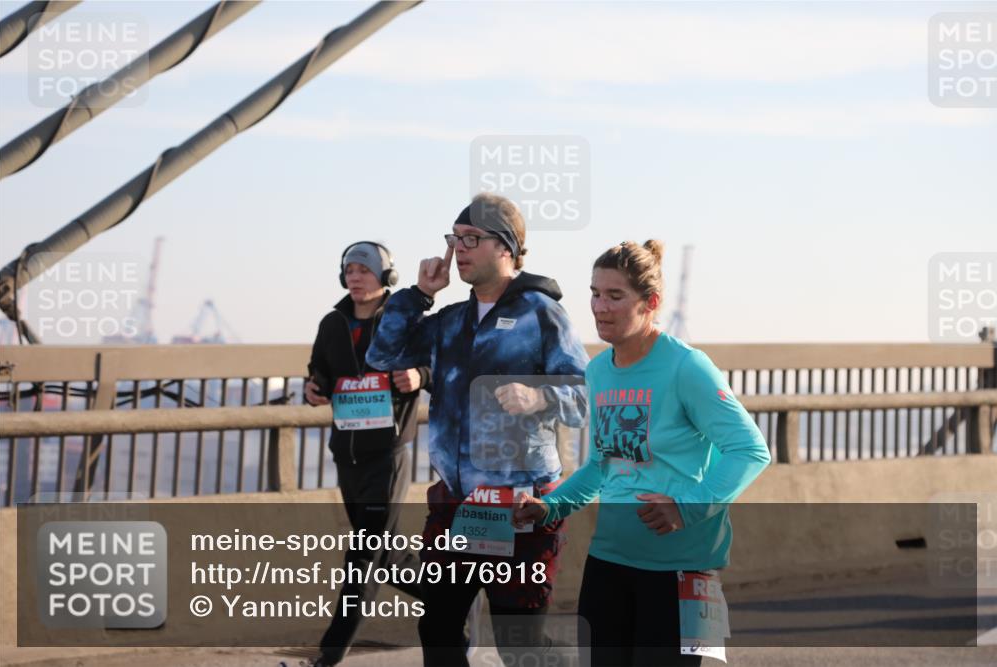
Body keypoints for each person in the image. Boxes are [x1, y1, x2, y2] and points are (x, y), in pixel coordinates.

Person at [514, 240, 771, 667]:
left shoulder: (686, 367)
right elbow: (601, 464)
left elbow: (749, 450)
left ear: (650, 302)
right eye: (595, 293)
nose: (600, 306)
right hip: (609, 560)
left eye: (615, 296)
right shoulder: (598, 371)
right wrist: (549, 507)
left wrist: (686, 508)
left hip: (678, 569)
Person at [365, 193, 589, 667]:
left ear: (505, 248)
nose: (458, 249)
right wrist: (420, 295)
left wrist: (539, 395)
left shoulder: (541, 314)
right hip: (457, 505)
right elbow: (381, 356)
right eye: (454, 238)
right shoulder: (450, 321)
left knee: (519, 645)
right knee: (439, 626)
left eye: (471, 239)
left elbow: (584, 398)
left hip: (521, 506)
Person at [304, 241, 427, 667]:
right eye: (349, 270)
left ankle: (329, 654)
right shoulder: (332, 323)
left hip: (387, 455)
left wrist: (420, 375)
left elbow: (434, 363)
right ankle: (454, 596)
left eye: (364, 269)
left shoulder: (404, 321)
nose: (355, 276)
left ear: (386, 276)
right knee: (384, 555)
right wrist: (314, 388)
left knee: (361, 557)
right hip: (346, 453)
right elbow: (319, 369)